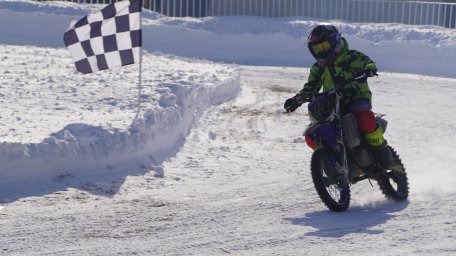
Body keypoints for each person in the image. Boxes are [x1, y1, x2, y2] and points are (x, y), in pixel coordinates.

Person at [284, 24, 395, 186]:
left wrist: (368, 70)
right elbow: (310, 88)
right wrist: (296, 100)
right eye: (317, 48)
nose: (321, 51)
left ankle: (384, 155)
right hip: (331, 103)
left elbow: (369, 63)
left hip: (356, 97)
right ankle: (331, 162)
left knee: (364, 117)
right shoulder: (318, 69)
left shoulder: (351, 56)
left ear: (335, 41)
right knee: (313, 132)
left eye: (324, 46)